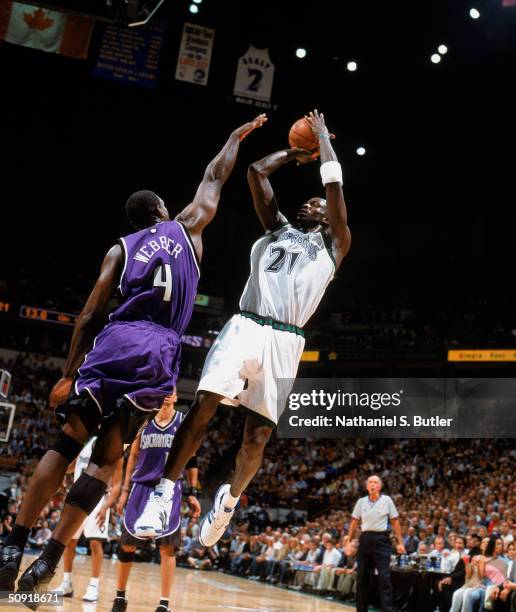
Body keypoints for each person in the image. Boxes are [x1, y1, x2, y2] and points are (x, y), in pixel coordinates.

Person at [0, 113, 267, 602]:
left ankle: (11, 544)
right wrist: (234, 136)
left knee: (63, 446)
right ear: (163, 210)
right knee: (104, 463)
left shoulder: (119, 249)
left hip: (115, 342)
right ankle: (50, 559)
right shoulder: (187, 228)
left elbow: (87, 316)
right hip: (158, 350)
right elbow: (214, 178)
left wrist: (68, 375)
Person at [133, 109, 351, 547]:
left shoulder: (335, 243)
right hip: (246, 323)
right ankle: (164, 490)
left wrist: (324, 137)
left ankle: (227, 505)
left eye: (319, 204)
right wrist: (295, 151)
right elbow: (255, 172)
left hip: (286, 340)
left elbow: (334, 184)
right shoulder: (277, 229)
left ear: (329, 217)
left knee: (257, 437)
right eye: (309, 201)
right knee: (205, 402)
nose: (312, 201)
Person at [110, 391, 200, 612]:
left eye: (172, 392)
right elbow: (132, 455)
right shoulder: (144, 418)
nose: (167, 395)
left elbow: (191, 459)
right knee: (127, 543)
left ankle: (164, 603)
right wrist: (124, 490)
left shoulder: (182, 421)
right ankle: (120, 597)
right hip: (140, 486)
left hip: (168, 488)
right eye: (164, 391)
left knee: (167, 548)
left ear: (177, 397)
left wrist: (192, 491)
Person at [53, 440, 123, 602]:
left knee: (95, 543)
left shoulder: (117, 445)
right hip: (78, 495)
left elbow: (117, 483)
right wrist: (62, 469)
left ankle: (94, 586)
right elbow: (73, 466)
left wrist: (106, 506)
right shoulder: (86, 441)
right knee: (70, 541)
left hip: (99, 498)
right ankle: (66, 583)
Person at [348, 475, 405, 612]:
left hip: (382, 540)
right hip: (365, 539)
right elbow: (354, 522)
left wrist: (400, 543)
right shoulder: (361, 502)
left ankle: (387, 610)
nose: (373, 484)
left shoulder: (387, 500)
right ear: (367, 486)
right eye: (370, 482)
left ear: (379, 486)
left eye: (375, 482)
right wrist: (349, 541)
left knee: (384, 578)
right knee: (362, 578)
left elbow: (395, 522)